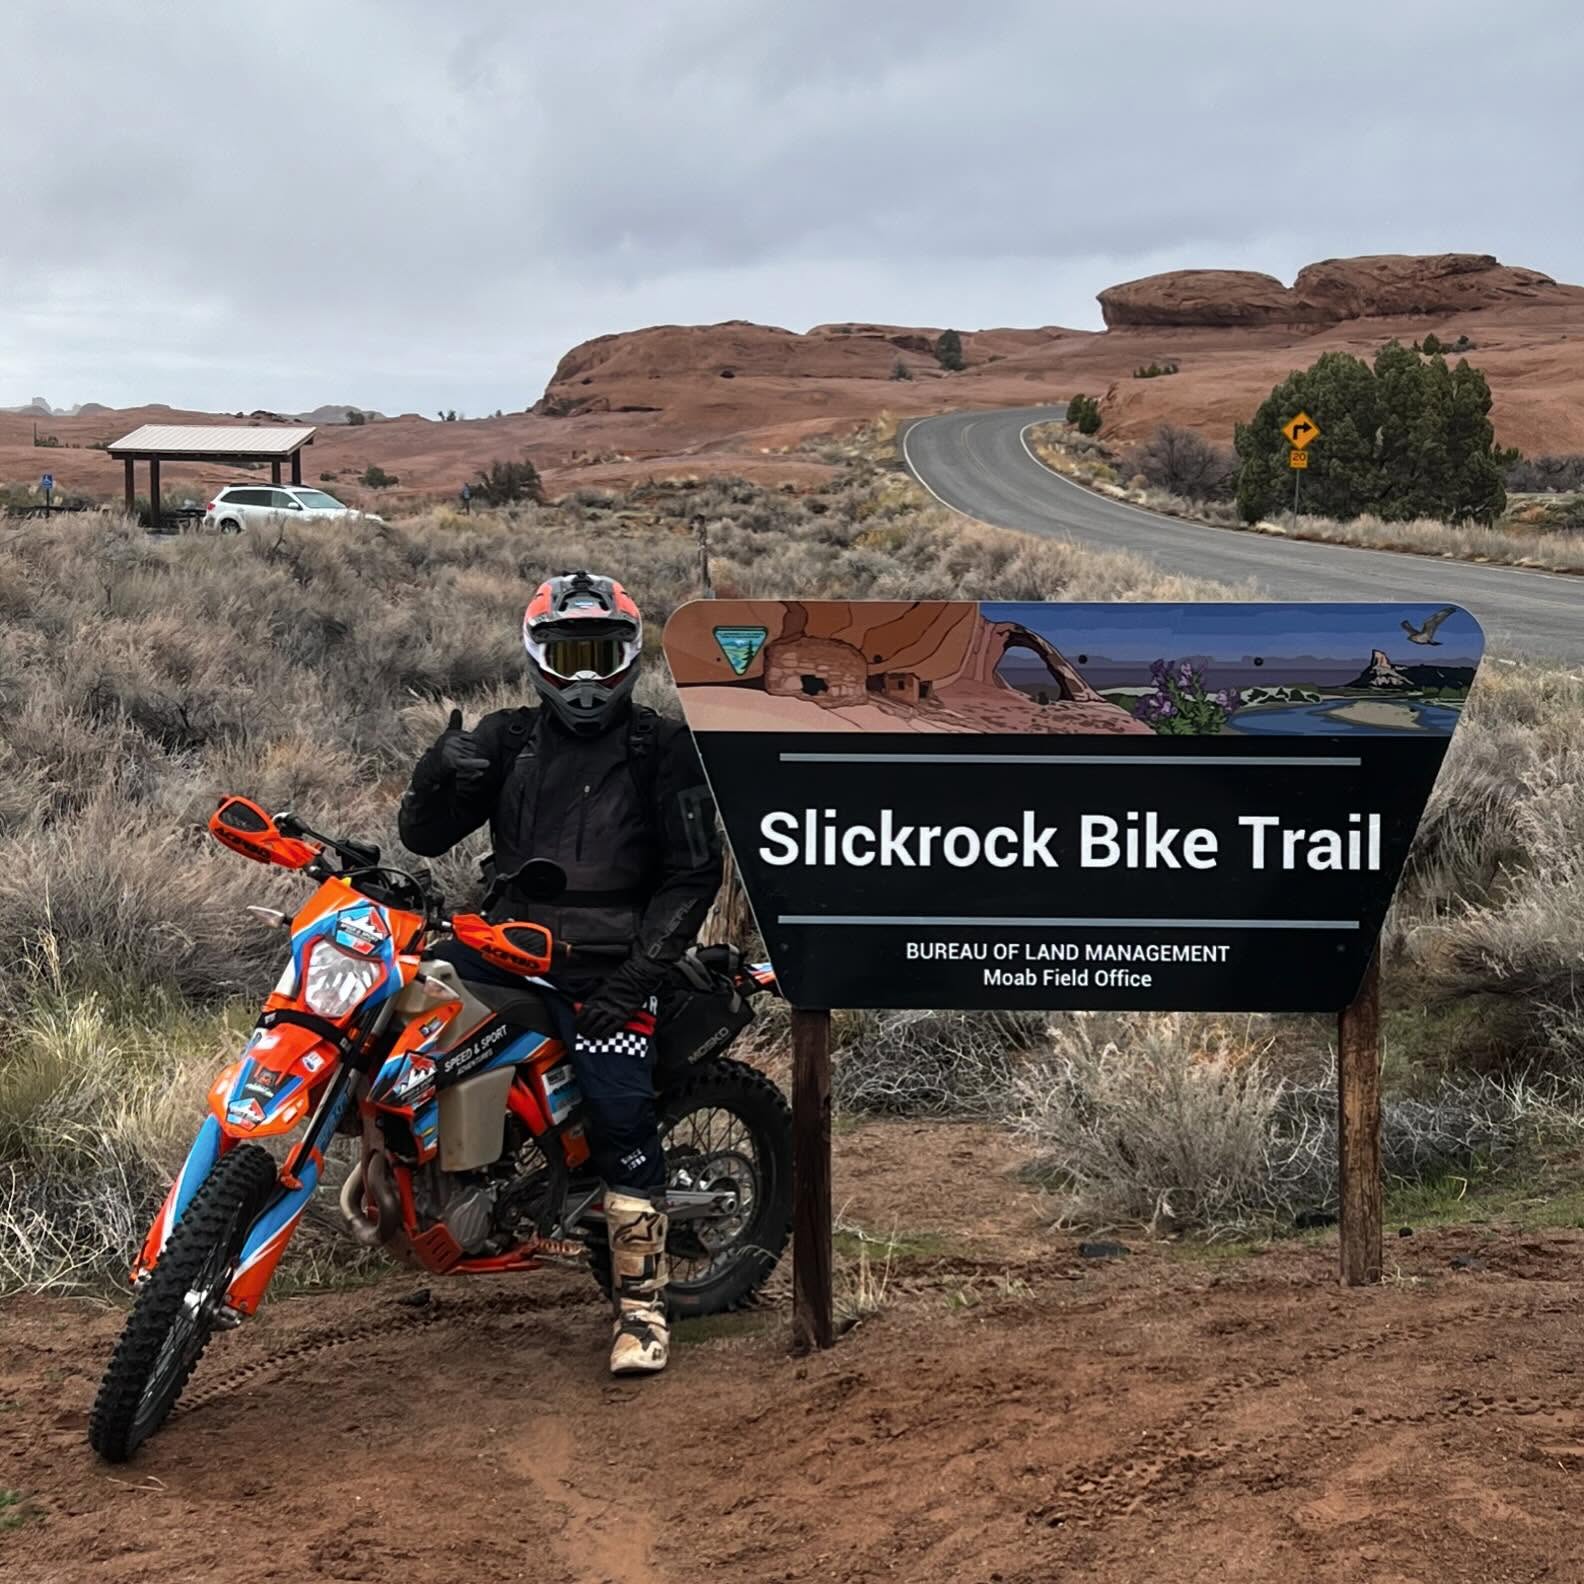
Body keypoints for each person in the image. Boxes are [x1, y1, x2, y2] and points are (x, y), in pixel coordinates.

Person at [398, 570, 721, 1375]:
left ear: (629, 656)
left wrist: (637, 978)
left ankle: (642, 1311)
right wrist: (440, 774)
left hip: (608, 965)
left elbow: (693, 874)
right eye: (567, 655)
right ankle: (426, 1196)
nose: (583, 677)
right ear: (537, 655)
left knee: (621, 1119)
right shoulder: (506, 739)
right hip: (502, 942)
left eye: (600, 655)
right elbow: (425, 839)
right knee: (390, 1018)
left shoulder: (662, 746)